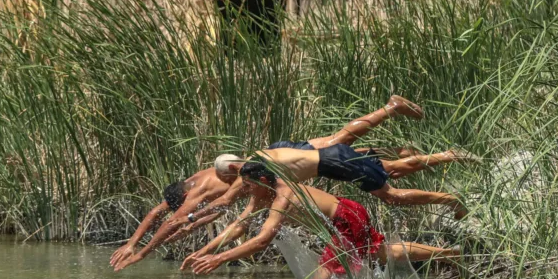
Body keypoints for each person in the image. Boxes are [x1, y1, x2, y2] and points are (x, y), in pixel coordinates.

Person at [190, 95, 471, 222]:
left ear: (233, 168)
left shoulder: (249, 171)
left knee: (388, 188)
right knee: (382, 164)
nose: (234, 186)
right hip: (324, 159)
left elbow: (226, 202)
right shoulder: (266, 153)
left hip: (332, 162)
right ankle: (435, 154)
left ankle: (393, 111)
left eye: (230, 179)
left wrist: (191, 216)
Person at [181, 161, 460, 279]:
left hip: (344, 218)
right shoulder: (265, 190)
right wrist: (207, 251)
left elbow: (262, 240)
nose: (248, 193)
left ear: (263, 181)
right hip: (348, 212)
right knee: (380, 252)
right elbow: (239, 226)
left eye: (250, 187)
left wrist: (220, 260)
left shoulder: (282, 197)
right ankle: (450, 255)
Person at [110, 167, 231, 271]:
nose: (186, 207)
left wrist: (142, 254)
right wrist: (131, 243)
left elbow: (171, 223)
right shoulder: (188, 183)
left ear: (185, 197)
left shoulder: (196, 191)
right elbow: (221, 208)